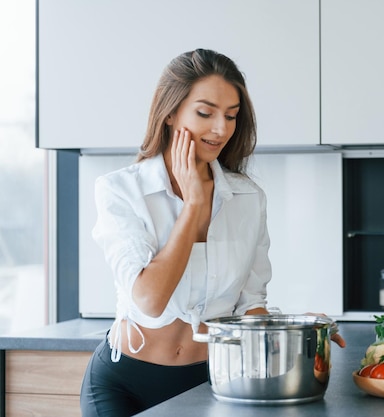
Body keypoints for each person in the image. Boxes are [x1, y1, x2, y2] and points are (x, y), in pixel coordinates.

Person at [80, 48, 345, 417]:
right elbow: (149, 299)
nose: (221, 129)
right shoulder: (120, 191)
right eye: (205, 113)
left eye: (231, 116)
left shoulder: (248, 198)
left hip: (210, 383)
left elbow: (250, 307)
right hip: (122, 384)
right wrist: (192, 207)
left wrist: (300, 328)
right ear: (170, 112)